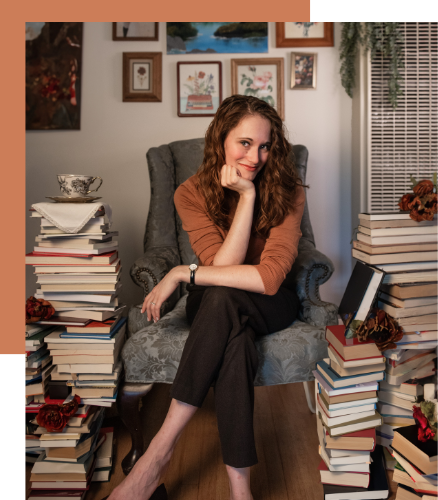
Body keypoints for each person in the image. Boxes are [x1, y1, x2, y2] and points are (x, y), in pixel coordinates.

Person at [109, 95, 306, 500]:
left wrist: (184, 271)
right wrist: (244, 201)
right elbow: (223, 268)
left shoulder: (289, 191)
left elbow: (269, 279)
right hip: (217, 298)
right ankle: (240, 491)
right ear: (221, 140)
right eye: (245, 143)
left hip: (270, 301)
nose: (256, 156)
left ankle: (156, 457)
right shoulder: (191, 192)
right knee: (230, 330)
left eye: (265, 145)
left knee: (222, 302)